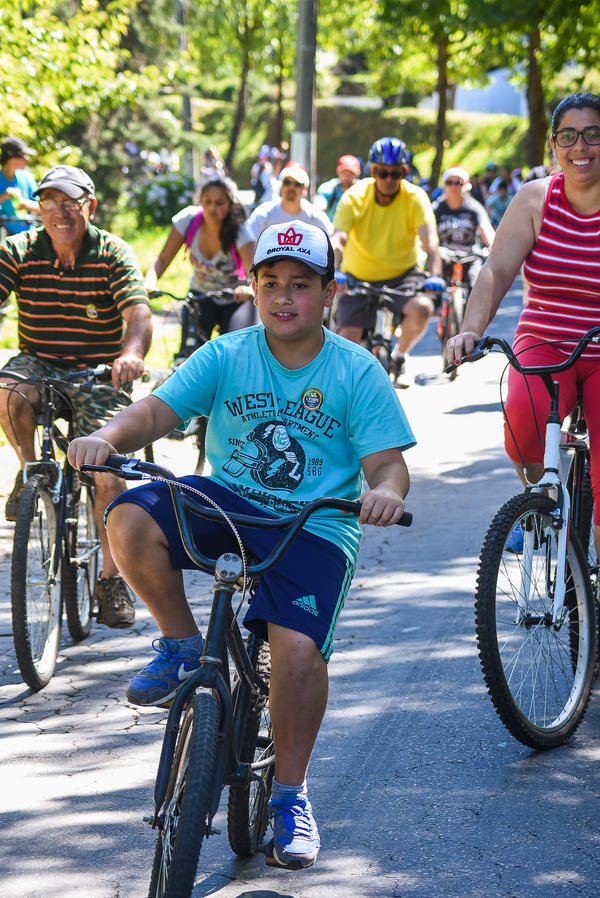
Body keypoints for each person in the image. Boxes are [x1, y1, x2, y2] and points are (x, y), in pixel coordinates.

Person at [67, 219, 415, 870]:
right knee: (129, 514)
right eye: (270, 283)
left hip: (314, 523)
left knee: (297, 657)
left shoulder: (355, 371)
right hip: (228, 503)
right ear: (252, 287)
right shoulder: (230, 354)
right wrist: (107, 436)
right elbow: (154, 413)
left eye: (301, 285)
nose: (284, 297)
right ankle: (179, 645)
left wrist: (387, 493)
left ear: (329, 292)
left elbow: (388, 466)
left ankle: (289, 793)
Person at [445, 91, 600, 561]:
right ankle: (543, 505)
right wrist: (469, 328)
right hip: (546, 339)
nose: (581, 148)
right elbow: (495, 271)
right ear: (554, 145)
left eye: (593, 135)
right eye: (569, 136)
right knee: (524, 422)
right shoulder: (536, 199)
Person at [0, 164, 152, 627]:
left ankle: (111, 579)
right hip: (40, 361)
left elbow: (139, 315)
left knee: (104, 470)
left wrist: (130, 355)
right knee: (7, 392)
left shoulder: (112, 253)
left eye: (70, 202)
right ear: (39, 207)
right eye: (50, 202)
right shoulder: (20, 249)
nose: (60, 213)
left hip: (97, 371)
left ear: (90, 205)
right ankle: (30, 470)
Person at [331, 136, 443, 387]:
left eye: (396, 173)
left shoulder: (415, 197)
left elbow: (430, 242)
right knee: (346, 337)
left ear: (404, 172)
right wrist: (333, 270)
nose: (389, 179)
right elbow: (338, 239)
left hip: (403, 275)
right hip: (357, 276)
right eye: (382, 173)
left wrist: (435, 275)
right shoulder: (354, 196)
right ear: (373, 171)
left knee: (422, 307)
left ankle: (399, 356)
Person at [145, 177, 258, 336]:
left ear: (230, 206)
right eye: (207, 201)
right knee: (191, 349)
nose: (212, 208)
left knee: (234, 348)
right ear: (200, 202)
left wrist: (247, 289)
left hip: (235, 299)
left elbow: (254, 274)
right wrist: (149, 282)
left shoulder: (240, 231)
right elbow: (162, 259)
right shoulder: (187, 221)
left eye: (219, 203)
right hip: (200, 296)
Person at [432, 165, 494, 291]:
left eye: (458, 182)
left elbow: (486, 228)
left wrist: (493, 247)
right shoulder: (437, 208)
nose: (454, 186)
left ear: (465, 185)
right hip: (444, 256)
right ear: (444, 185)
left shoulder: (474, 207)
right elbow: (427, 231)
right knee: (434, 287)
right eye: (450, 182)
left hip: (470, 256)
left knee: (477, 285)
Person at [246, 161, 333, 241]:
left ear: (304, 189)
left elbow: (331, 243)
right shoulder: (263, 214)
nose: (291, 187)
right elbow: (248, 243)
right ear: (281, 185)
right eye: (287, 182)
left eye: (297, 184)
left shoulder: (315, 217)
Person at [0, 137, 39, 235]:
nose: (27, 159)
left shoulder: (27, 177)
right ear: (11, 157)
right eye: (23, 155)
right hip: (4, 235)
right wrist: (4, 197)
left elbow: (41, 207)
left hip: (29, 234)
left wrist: (25, 204)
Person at [314, 154, 361, 221]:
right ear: (338, 172)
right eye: (344, 172)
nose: (347, 176)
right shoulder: (328, 188)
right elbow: (318, 206)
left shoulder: (362, 190)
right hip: (332, 230)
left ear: (357, 174)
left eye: (351, 173)